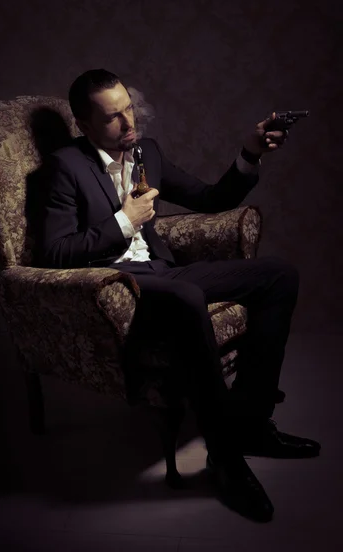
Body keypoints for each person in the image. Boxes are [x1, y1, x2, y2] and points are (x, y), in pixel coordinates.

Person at [37, 68, 320, 523]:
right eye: (113, 118)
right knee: (187, 295)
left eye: (129, 107)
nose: (129, 124)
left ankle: (251, 424)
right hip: (116, 285)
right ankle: (226, 457)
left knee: (278, 276)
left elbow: (211, 198)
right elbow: (54, 252)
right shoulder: (65, 167)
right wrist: (125, 221)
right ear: (84, 125)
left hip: (165, 272)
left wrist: (249, 153)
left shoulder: (147, 151)